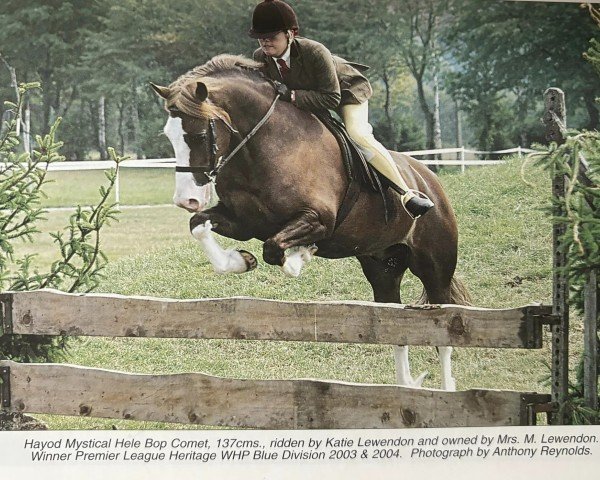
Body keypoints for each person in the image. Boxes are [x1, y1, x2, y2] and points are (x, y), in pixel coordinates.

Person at [248, 0, 434, 219]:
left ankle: (407, 195)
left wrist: (291, 95)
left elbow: (330, 97)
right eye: (261, 38)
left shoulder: (315, 51)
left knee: (358, 134)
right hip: (310, 100)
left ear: (290, 34)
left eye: (272, 37)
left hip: (345, 93)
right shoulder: (260, 57)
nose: (266, 43)